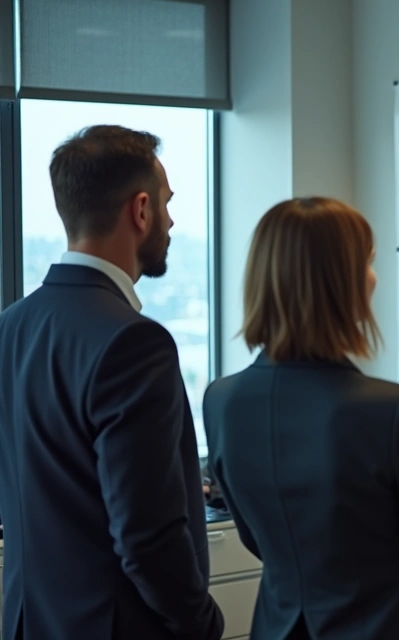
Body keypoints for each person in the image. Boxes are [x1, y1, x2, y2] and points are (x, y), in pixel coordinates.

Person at [203, 197, 399, 640]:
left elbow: (260, 540)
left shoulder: (220, 401)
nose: (374, 279)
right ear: (340, 282)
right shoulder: (391, 409)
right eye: (367, 263)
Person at [0, 125, 223, 640]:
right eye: (166, 203)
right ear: (140, 210)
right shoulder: (134, 343)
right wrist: (202, 623)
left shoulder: (10, 327)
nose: (171, 219)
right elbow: (148, 537)